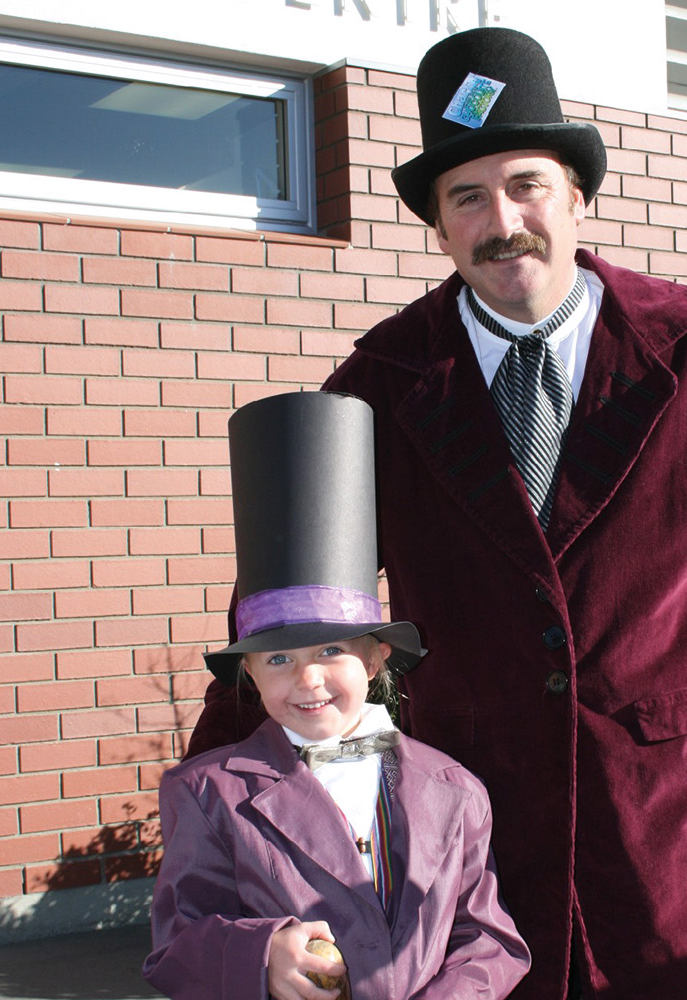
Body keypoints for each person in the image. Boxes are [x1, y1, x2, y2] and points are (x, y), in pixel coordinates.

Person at [185, 27, 687, 1000]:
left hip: (675, 845)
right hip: (471, 862)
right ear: (440, 227)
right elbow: (286, 618)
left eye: (526, 183)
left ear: (576, 194)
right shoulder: (379, 389)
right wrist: (225, 821)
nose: (503, 219)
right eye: (468, 197)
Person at [145, 393, 529, 1000]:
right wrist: (260, 954)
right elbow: (175, 948)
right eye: (278, 658)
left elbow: (487, 940)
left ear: (377, 658)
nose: (308, 678)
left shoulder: (456, 791)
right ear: (248, 672)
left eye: (331, 652)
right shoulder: (206, 794)